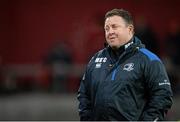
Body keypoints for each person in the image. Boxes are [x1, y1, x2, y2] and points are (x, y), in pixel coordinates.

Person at [77, 8, 173, 121]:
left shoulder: (149, 60)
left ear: (130, 29)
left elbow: (162, 96)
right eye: (106, 28)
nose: (110, 32)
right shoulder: (95, 59)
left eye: (114, 27)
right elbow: (84, 95)